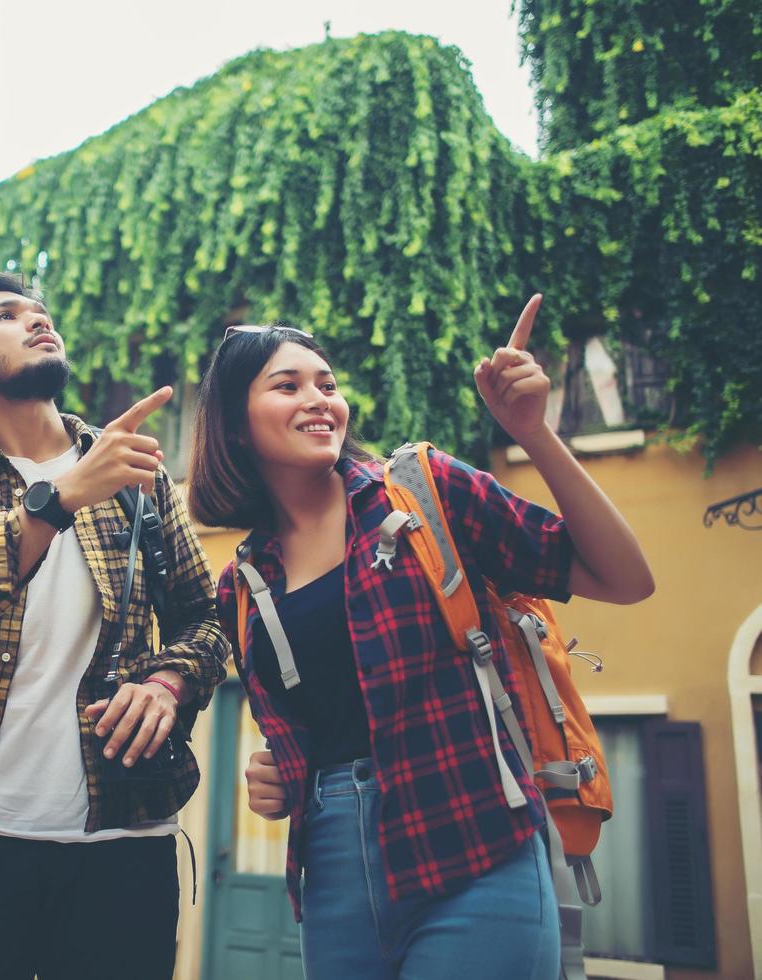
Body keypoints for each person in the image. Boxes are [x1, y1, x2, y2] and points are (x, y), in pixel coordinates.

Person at [189, 296, 654, 978]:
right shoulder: (241, 582)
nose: (319, 399)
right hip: (332, 868)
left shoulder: (420, 490)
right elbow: (315, 722)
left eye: (327, 383)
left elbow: (624, 577)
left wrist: (533, 433)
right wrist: (278, 775)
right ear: (233, 426)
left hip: (473, 841)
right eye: (286, 386)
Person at [0, 272, 230, 980]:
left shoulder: (136, 473)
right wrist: (59, 498)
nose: (37, 320)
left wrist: (168, 681)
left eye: (40, 311)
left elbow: (210, 619)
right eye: (6, 316)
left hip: (124, 833)